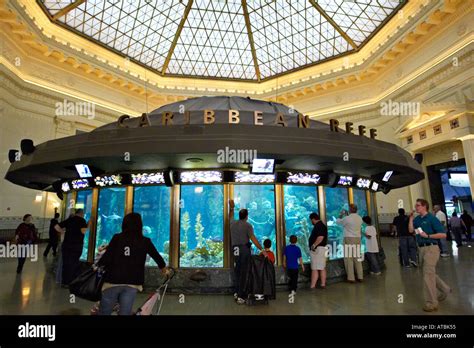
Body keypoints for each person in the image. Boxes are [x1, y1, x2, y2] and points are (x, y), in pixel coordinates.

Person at [97, 212, 169, 315]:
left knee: (105, 311)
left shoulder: (117, 238)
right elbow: (157, 256)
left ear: (124, 224)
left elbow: (105, 259)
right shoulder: (145, 241)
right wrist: (163, 269)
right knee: (125, 312)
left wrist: (99, 262)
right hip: (132, 282)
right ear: (140, 225)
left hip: (112, 280)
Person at [409, 198, 451, 312]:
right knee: (429, 272)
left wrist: (428, 236)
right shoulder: (417, 219)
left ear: (424, 206)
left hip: (431, 248)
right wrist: (411, 218)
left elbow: (442, 235)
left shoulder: (432, 219)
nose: (416, 207)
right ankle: (445, 289)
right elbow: (411, 230)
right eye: (416, 205)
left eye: (418, 205)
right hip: (421, 249)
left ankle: (431, 302)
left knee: (427, 275)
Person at [229, 199, 266, 305]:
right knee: (244, 272)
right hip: (244, 249)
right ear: (246, 216)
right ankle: (241, 296)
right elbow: (253, 238)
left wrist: (231, 207)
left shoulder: (232, 224)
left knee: (237, 270)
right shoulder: (248, 225)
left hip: (235, 249)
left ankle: (236, 292)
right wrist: (262, 250)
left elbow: (230, 216)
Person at [57, 209, 89, 286]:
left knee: (66, 263)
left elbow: (56, 226)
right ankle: (71, 282)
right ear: (81, 213)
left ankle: (64, 282)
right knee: (73, 263)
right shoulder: (82, 220)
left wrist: (62, 231)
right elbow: (84, 231)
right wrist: (88, 225)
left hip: (66, 244)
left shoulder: (69, 219)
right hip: (76, 245)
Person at [337, 204, 363, 283]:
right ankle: (360, 276)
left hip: (349, 238)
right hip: (358, 239)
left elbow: (338, 222)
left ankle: (351, 278)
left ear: (350, 210)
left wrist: (341, 215)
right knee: (357, 258)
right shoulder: (359, 218)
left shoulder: (347, 218)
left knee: (349, 258)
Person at [308, 212, 328, 289]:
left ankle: (312, 286)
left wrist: (313, 246)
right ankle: (323, 284)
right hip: (321, 249)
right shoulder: (322, 225)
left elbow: (320, 237)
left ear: (313, 219)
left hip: (317, 249)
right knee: (322, 267)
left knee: (315, 268)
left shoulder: (319, 226)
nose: (311, 222)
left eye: (311, 220)